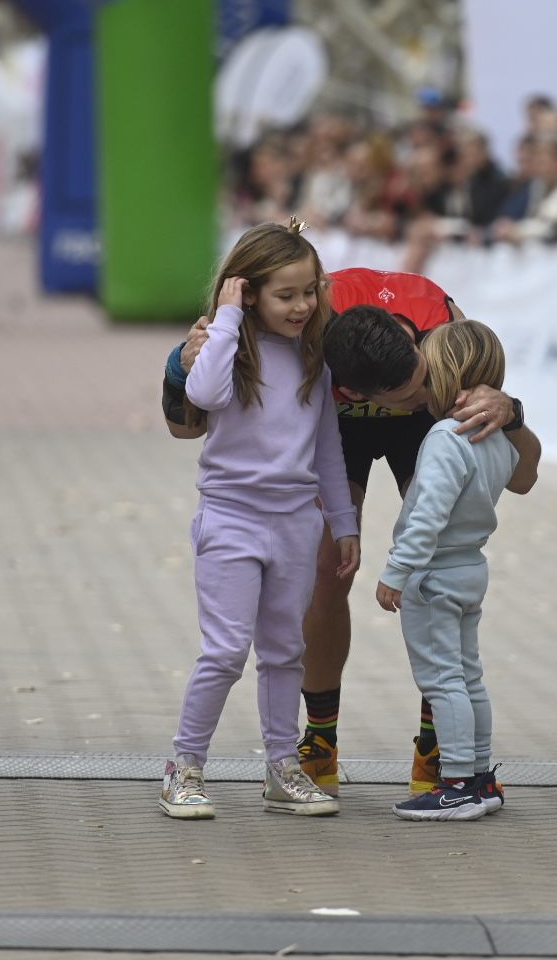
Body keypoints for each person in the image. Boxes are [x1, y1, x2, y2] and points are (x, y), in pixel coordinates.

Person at [163, 263, 542, 800]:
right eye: (410, 394)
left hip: (420, 418)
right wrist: (181, 364)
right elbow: (185, 426)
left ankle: (440, 750)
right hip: (340, 427)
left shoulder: (445, 329)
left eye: (422, 385)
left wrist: (512, 412)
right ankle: (320, 741)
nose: (418, 397)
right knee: (326, 572)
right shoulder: (305, 318)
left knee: (438, 560)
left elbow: (522, 477)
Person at [160, 220, 361, 821]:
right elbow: (208, 393)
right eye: (285, 294)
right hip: (231, 520)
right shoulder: (226, 348)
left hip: (296, 524)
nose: (301, 306)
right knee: (224, 651)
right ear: (246, 292)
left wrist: (343, 522)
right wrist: (225, 321)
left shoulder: (313, 360)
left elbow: (327, 446)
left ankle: (281, 766)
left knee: (284, 651)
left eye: (309, 291)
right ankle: (185, 767)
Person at [376, 320, 516, 821]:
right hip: (470, 568)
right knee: (469, 677)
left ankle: (456, 783)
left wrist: (396, 570)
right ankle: (481, 776)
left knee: (442, 681)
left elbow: (428, 513)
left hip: (433, 576)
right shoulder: (499, 441)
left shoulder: (444, 437)